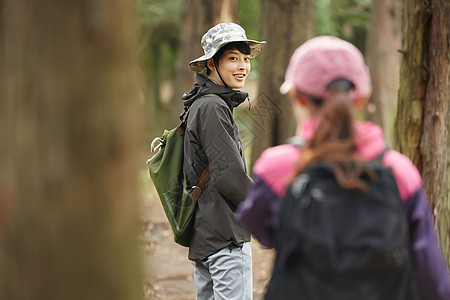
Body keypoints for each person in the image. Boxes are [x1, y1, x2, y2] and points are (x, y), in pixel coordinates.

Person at [235, 36, 450, 299]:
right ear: (361, 98)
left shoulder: (278, 167)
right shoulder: (399, 171)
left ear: (297, 97)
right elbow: (430, 273)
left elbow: (261, 230)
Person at [181, 22, 265, 300]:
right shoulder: (213, 107)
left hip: (205, 236)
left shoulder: (201, 103)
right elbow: (229, 175)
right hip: (225, 238)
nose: (242, 66)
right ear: (212, 64)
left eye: (245, 58)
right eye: (232, 58)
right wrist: (265, 205)